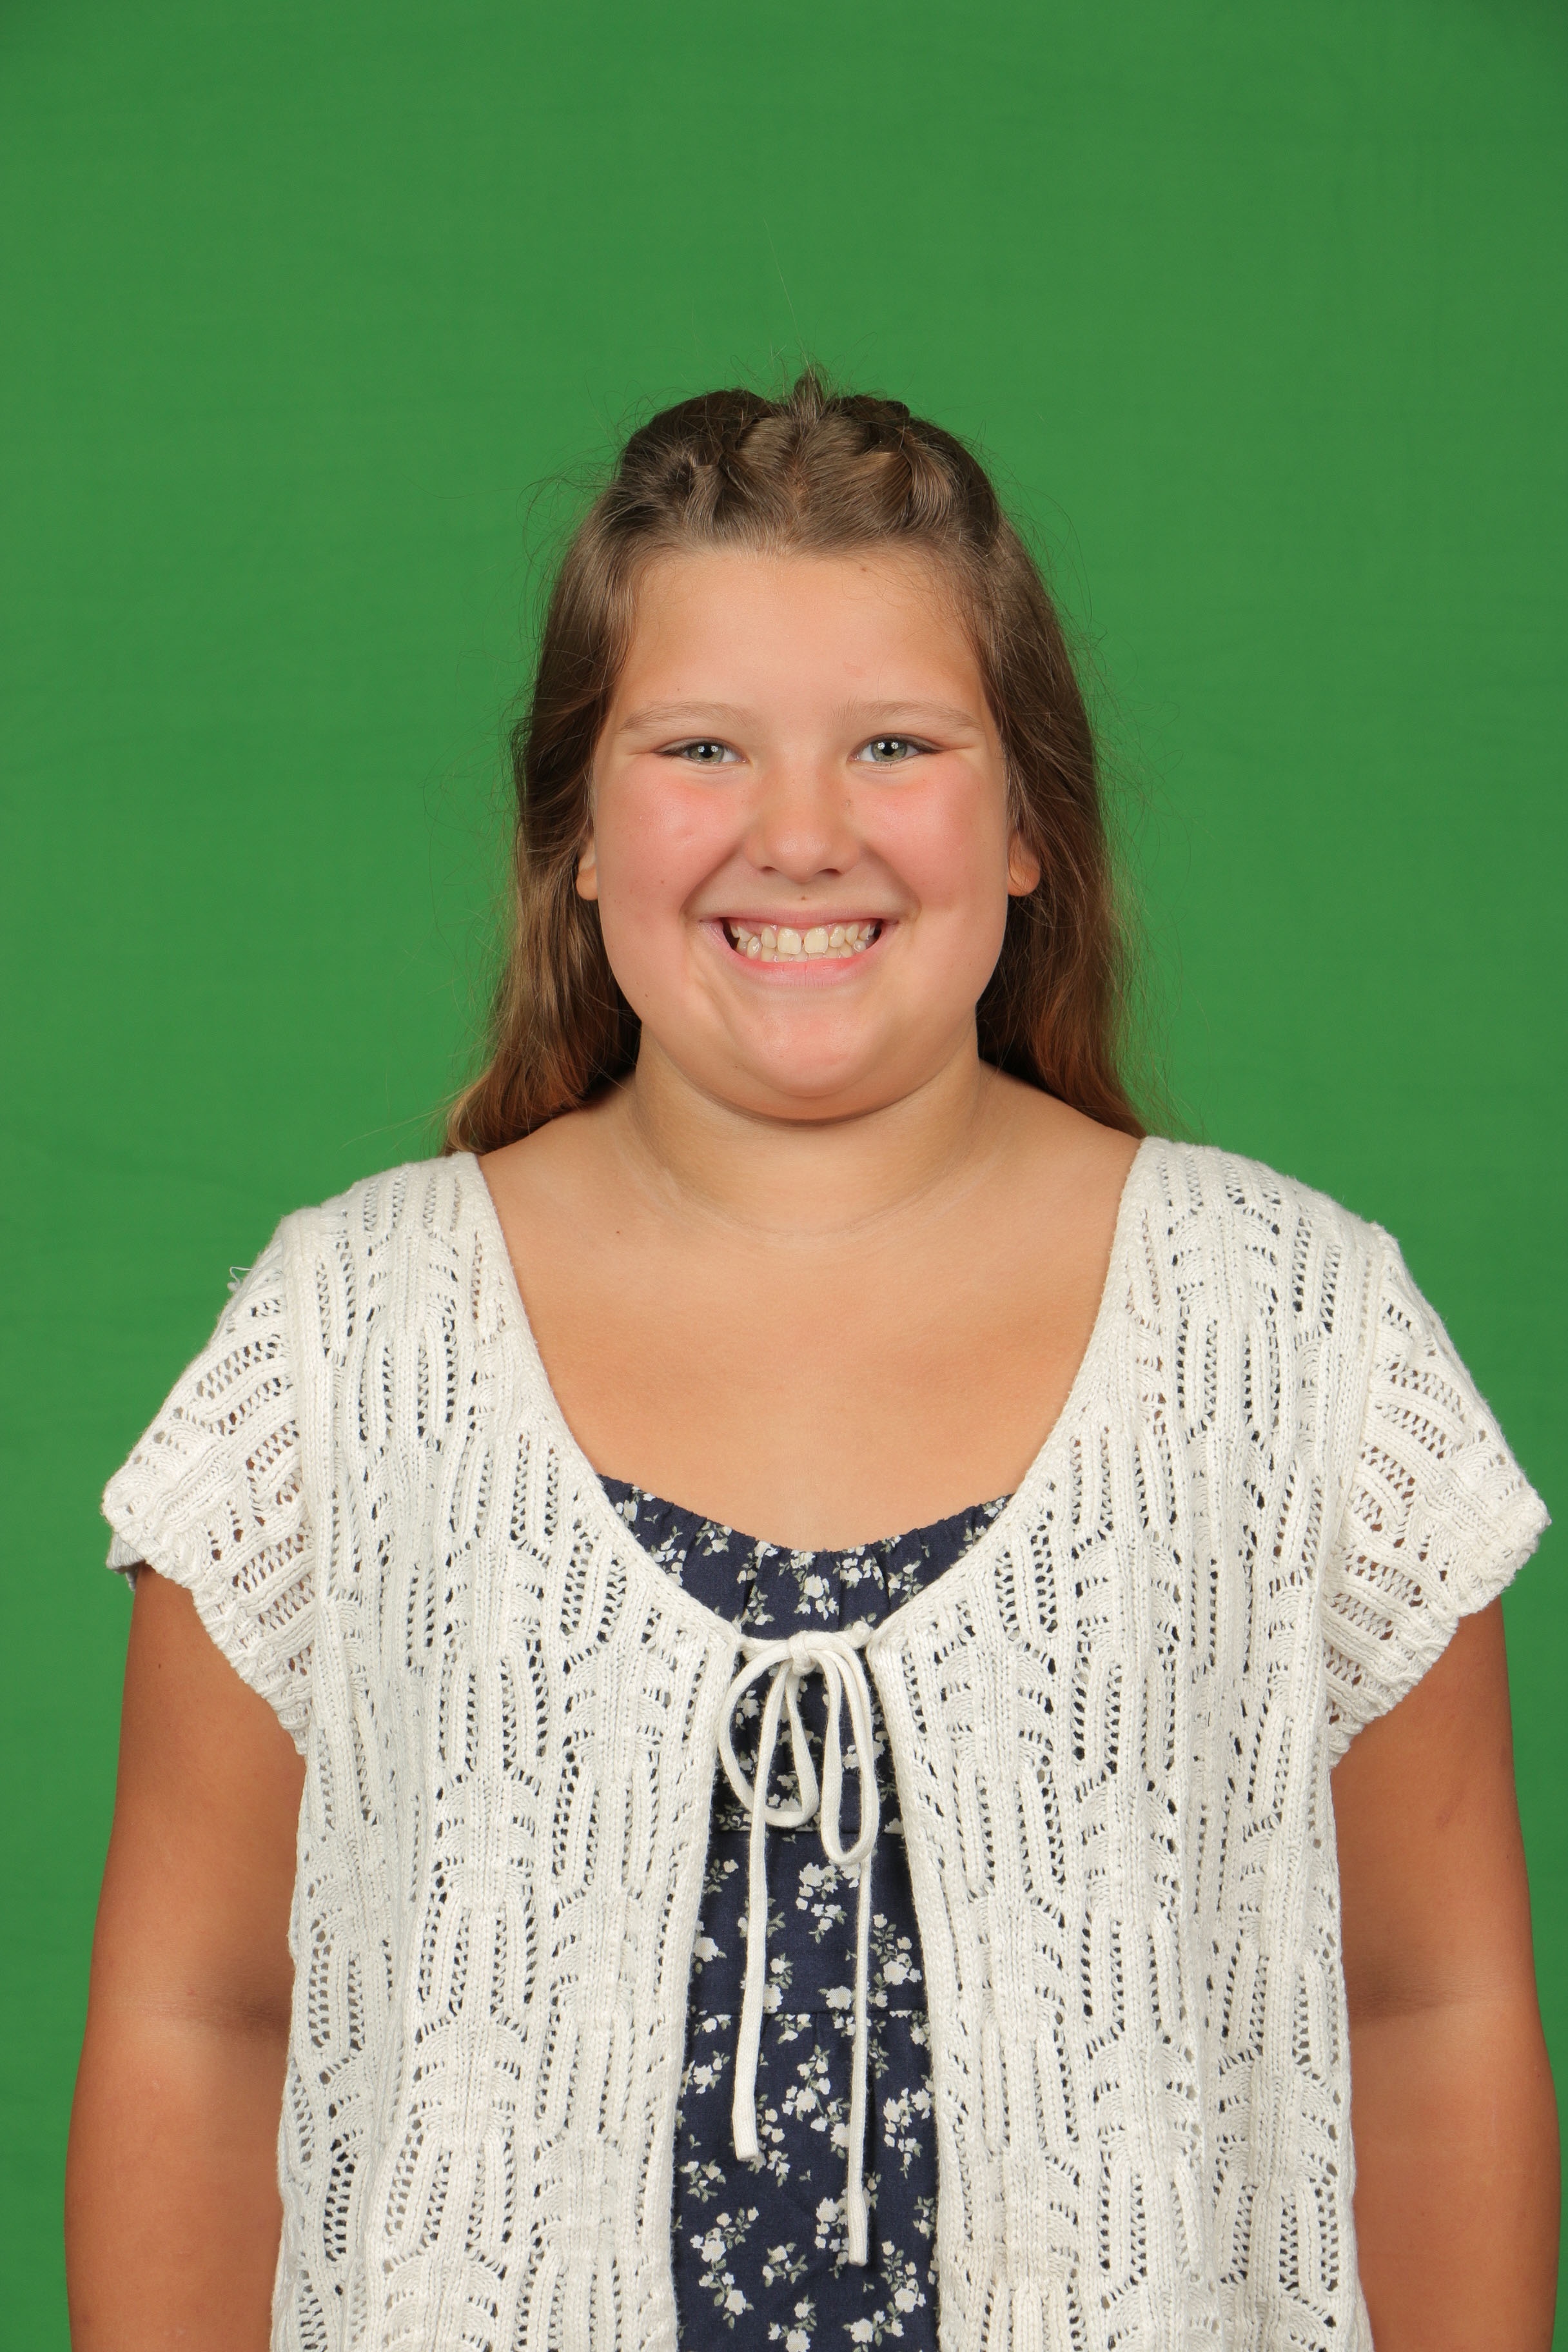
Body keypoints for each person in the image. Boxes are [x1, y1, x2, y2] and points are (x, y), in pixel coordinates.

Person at [66, 375, 1556, 2352]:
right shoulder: (345, 1351)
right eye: (701, 747)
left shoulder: (1295, 1340)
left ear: (1026, 824)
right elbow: (205, 2013)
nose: (799, 833)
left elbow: (1425, 2003)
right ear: (575, 833)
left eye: (894, 745)